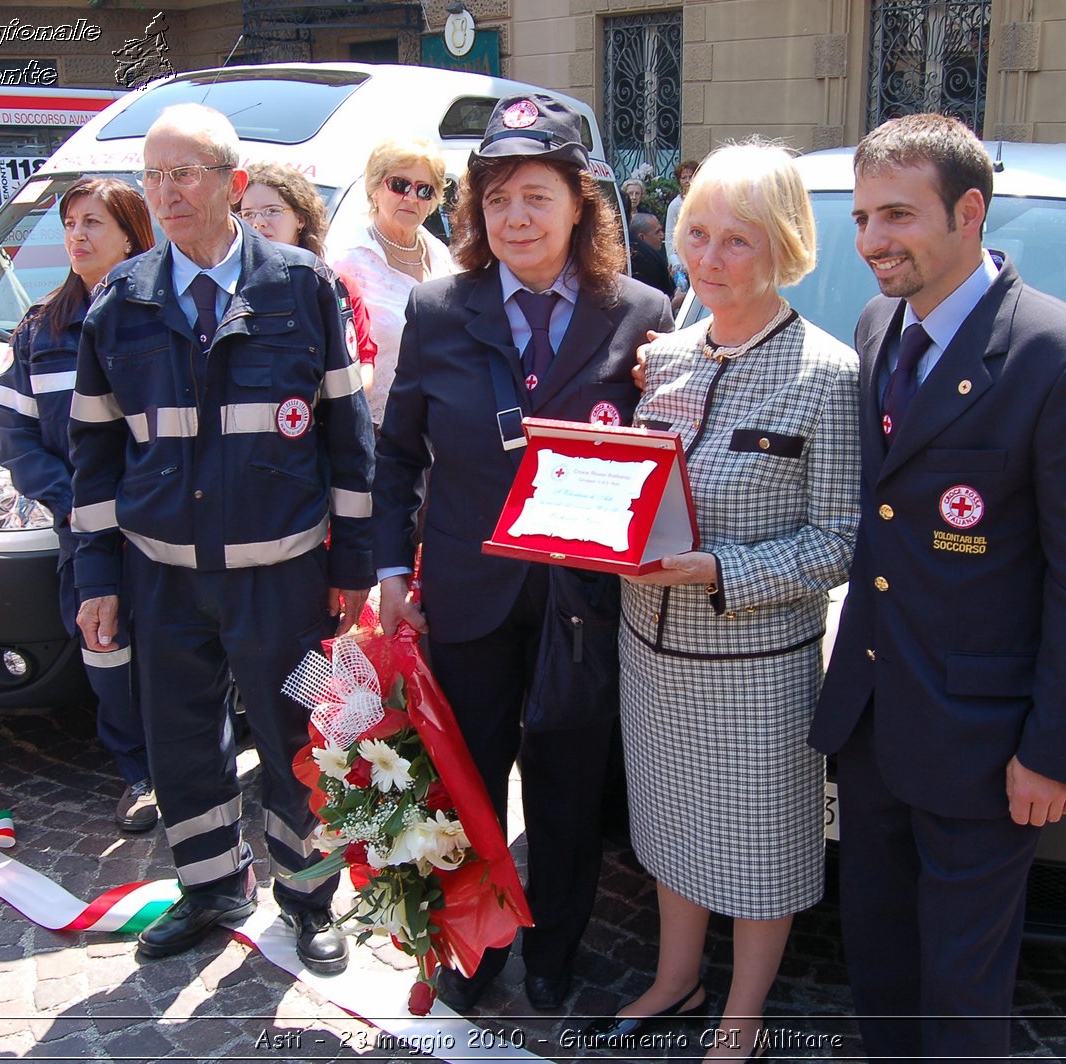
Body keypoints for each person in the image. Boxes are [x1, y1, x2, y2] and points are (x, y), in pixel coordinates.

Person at [808, 113, 1066, 1061]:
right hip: (874, 721)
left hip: (987, 748)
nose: (874, 241)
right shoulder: (879, 325)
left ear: (970, 211)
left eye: (899, 216)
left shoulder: (1065, 357)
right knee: (877, 957)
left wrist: (1057, 749)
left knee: (961, 986)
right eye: (864, 217)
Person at [372, 93, 674, 1012]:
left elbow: (666, 450)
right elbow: (396, 456)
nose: (516, 218)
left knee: (569, 785)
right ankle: (475, 947)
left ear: (581, 204)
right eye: (496, 199)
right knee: (467, 785)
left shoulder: (643, 314)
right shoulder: (438, 308)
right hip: (469, 597)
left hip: (585, 601)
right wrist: (391, 574)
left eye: (537, 195)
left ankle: (553, 948)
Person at [68, 103, 375, 974]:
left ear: (234, 184)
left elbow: (347, 437)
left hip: (284, 582)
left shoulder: (301, 288)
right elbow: (92, 459)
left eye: (185, 173)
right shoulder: (120, 304)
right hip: (162, 580)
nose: (164, 192)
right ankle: (211, 889)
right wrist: (98, 577)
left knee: (299, 739)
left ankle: (311, 899)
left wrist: (350, 565)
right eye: (152, 175)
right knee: (180, 741)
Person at [585, 142, 859, 1060]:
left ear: (782, 246)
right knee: (665, 826)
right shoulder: (665, 360)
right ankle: (675, 977)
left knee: (760, 852)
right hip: (648, 653)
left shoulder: (827, 375)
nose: (706, 259)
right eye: (696, 233)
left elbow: (840, 542)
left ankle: (742, 1013)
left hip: (754, 670)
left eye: (735, 241)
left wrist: (715, 571)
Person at [0, 178, 158, 832]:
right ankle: (139, 774)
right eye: (70, 223)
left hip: (157, 533)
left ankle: (185, 772)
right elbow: (13, 431)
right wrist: (75, 503)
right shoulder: (41, 331)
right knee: (105, 654)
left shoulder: (162, 316)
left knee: (172, 658)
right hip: (85, 538)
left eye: (93, 222)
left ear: (130, 233)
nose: (77, 236)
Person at [327, 138, 456, 429]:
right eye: (399, 184)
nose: (411, 197)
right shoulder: (348, 260)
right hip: (375, 428)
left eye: (425, 190)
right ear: (374, 189)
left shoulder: (441, 255)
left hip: (438, 422)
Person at [238, 161, 378, 392]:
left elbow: (363, 368)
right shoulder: (230, 286)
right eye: (248, 214)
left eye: (272, 210)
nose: (258, 222)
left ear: (300, 219)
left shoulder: (335, 286)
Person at [626, 212, 676, 301]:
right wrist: (676, 302)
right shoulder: (645, 264)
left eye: (661, 230)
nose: (662, 236)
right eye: (657, 232)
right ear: (641, 237)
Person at [663, 158, 698, 279]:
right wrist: (674, 262)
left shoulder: (705, 202)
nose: (688, 181)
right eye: (684, 177)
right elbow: (669, 237)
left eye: (691, 176)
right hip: (681, 260)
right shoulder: (675, 205)